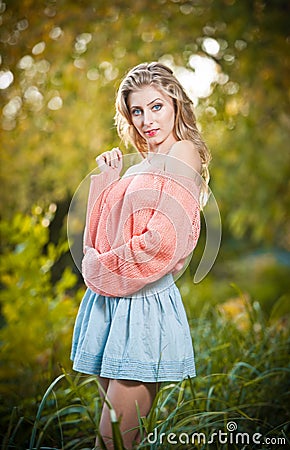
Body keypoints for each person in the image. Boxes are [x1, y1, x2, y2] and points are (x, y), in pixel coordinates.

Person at [70, 61, 211, 449]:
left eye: (157, 106)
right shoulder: (143, 163)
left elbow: (161, 243)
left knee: (112, 445)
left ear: (176, 104)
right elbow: (97, 240)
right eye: (137, 110)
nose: (147, 119)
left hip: (143, 307)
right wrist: (104, 184)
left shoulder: (183, 152)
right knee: (110, 440)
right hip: (113, 305)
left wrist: (98, 268)